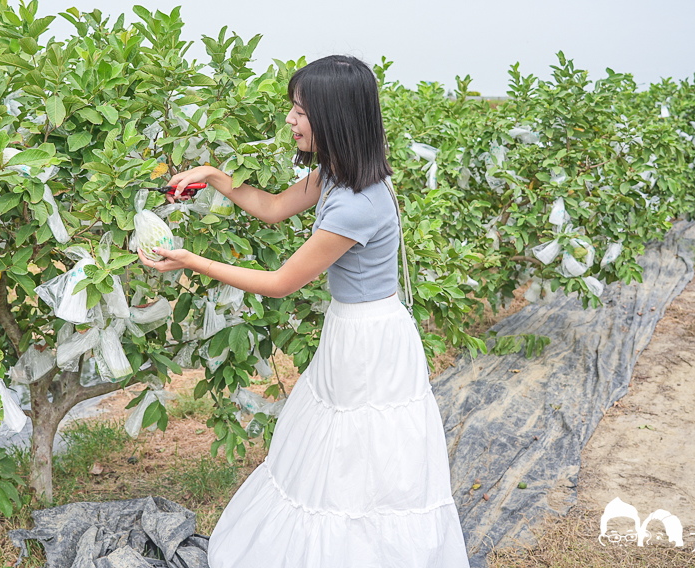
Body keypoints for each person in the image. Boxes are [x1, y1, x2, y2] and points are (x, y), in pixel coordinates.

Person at [137, 55, 470, 567]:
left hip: (370, 342)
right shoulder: (338, 176)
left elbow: (280, 283)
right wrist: (214, 177)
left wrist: (190, 262)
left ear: (333, 118)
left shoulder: (355, 202)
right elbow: (271, 207)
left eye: (299, 111)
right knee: (345, 452)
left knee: (358, 456)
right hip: (355, 329)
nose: (290, 121)